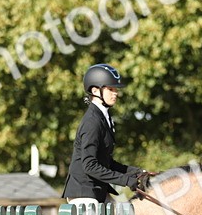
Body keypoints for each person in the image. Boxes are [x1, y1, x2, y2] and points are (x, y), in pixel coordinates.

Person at [62, 64, 152, 204]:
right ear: (95, 90)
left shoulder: (103, 117)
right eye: (110, 89)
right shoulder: (92, 122)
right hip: (84, 193)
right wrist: (126, 180)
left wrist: (137, 172)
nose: (115, 93)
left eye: (115, 89)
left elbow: (106, 162)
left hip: (98, 189)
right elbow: (90, 165)